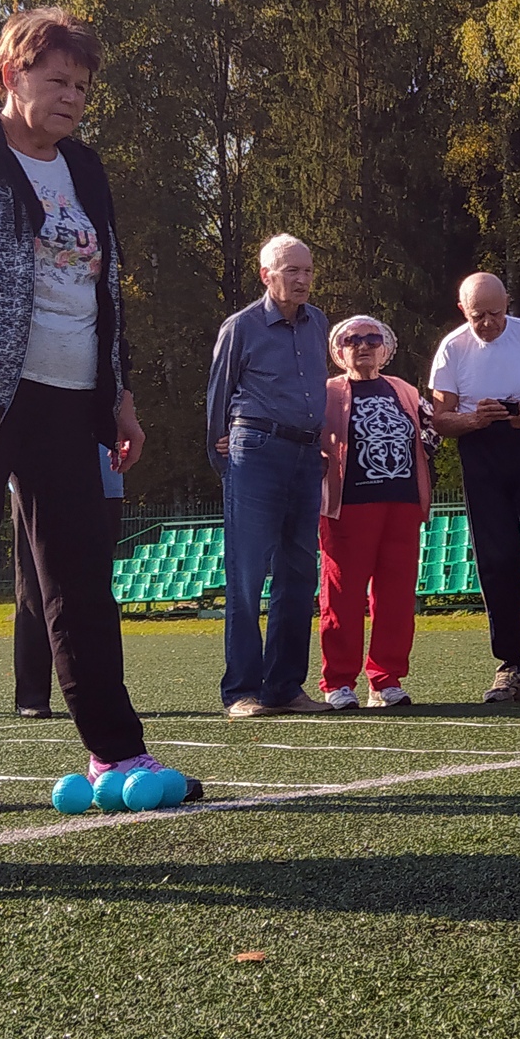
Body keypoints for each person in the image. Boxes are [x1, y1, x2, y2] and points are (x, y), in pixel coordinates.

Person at [0, 7, 187, 814]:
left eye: (83, 85)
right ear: (7, 77)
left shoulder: (85, 170)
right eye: (56, 79)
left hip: (71, 399)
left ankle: (115, 749)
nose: (72, 97)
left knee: (80, 578)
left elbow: (107, 291)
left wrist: (119, 394)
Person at [430, 273, 520, 702]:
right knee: (497, 561)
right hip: (482, 452)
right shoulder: (452, 348)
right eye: (479, 316)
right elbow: (440, 419)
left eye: (497, 313)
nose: (490, 323)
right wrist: (474, 419)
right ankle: (510, 666)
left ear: (508, 303)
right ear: (463, 310)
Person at [206, 235, 332, 718]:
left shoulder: (318, 322)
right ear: (266, 275)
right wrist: (225, 459)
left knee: (299, 574)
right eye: (291, 271)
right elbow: (217, 395)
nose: (301, 279)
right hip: (254, 450)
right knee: (247, 575)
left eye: (307, 270)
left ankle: (285, 686)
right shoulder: (241, 326)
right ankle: (241, 690)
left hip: (305, 454)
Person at [318, 314, 433, 709]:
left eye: (372, 338)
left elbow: (429, 437)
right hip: (349, 506)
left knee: (397, 597)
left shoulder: (405, 389)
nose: (363, 345)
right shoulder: (328, 392)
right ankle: (338, 681)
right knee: (343, 596)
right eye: (353, 340)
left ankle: (385, 680)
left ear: (386, 348)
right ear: (338, 351)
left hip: (402, 504)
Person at [13, 447, 123, 719]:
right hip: (34, 478)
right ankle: (33, 694)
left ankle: (102, 693)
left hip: (104, 479)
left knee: (96, 590)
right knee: (33, 589)